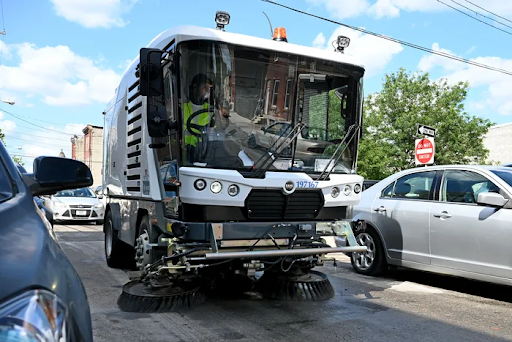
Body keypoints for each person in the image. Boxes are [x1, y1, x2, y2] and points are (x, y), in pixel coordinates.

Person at [183, 73, 214, 163]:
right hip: (185, 154)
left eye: (209, 89)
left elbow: (216, 132)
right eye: (205, 88)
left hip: (205, 152)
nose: (208, 92)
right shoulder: (181, 108)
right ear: (195, 87)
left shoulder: (210, 110)